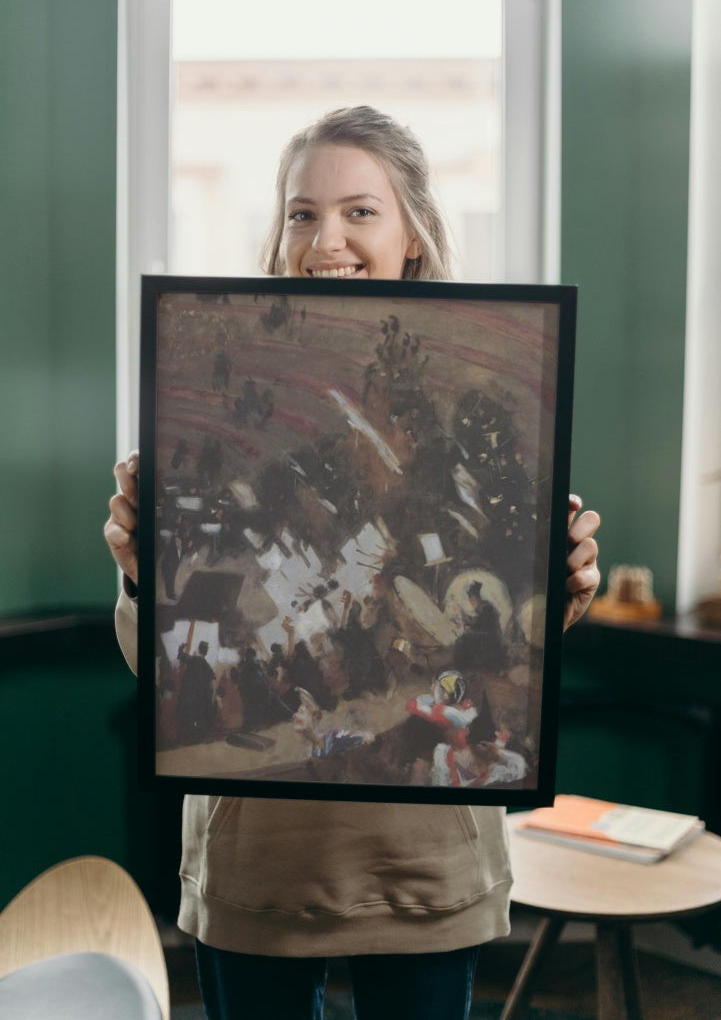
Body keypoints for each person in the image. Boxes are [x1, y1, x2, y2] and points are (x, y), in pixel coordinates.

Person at [105, 105, 601, 1020]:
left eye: (359, 211)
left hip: (423, 864)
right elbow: (165, 673)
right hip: (258, 865)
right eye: (301, 212)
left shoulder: (481, 407)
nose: (324, 237)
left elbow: (503, 662)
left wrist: (555, 591)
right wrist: (143, 575)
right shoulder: (219, 405)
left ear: (412, 232)